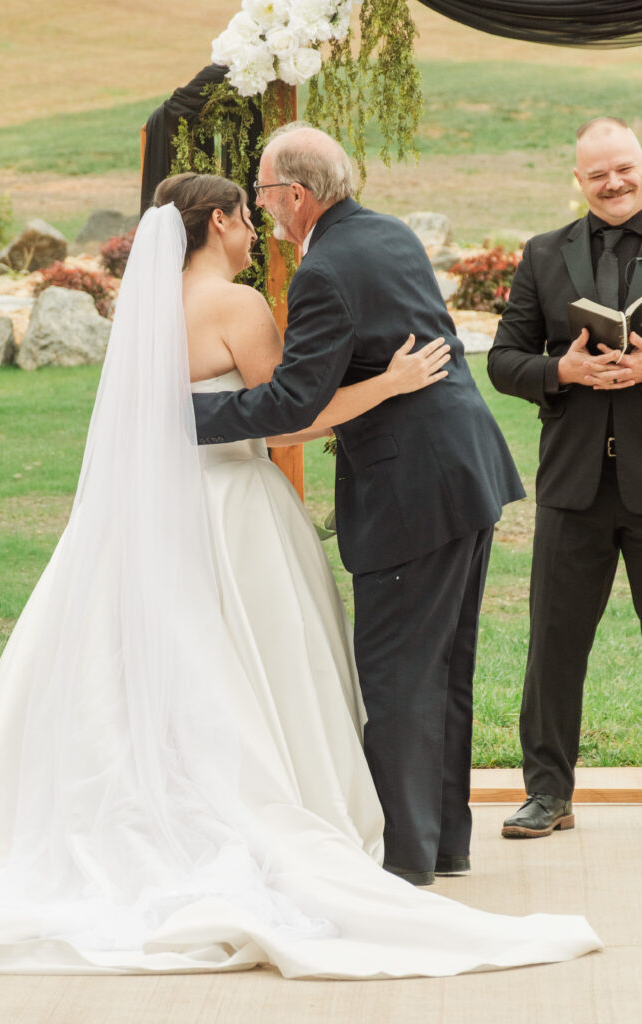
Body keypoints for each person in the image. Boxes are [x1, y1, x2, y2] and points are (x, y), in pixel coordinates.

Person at [0, 174, 600, 977]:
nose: (254, 232)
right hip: (232, 505)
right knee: (260, 659)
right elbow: (295, 413)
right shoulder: (236, 305)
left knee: (153, 659)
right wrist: (390, 384)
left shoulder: (144, 308)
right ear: (220, 220)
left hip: (154, 505)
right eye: (245, 218)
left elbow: (157, 410)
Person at [192, 123, 526, 885]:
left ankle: (405, 863)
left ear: (298, 196)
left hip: (412, 493)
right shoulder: (388, 234)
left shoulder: (324, 272)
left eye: (266, 193)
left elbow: (288, 404)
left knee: (398, 676)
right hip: (462, 474)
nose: (262, 207)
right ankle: (443, 843)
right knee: (442, 668)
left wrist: (183, 415)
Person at [488, 116, 642, 839]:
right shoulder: (543, 254)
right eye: (597, 173)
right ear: (576, 180)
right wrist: (563, 369)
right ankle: (546, 794)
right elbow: (501, 359)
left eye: (624, 168)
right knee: (553, 645)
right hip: (572, 486)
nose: (613, 182)